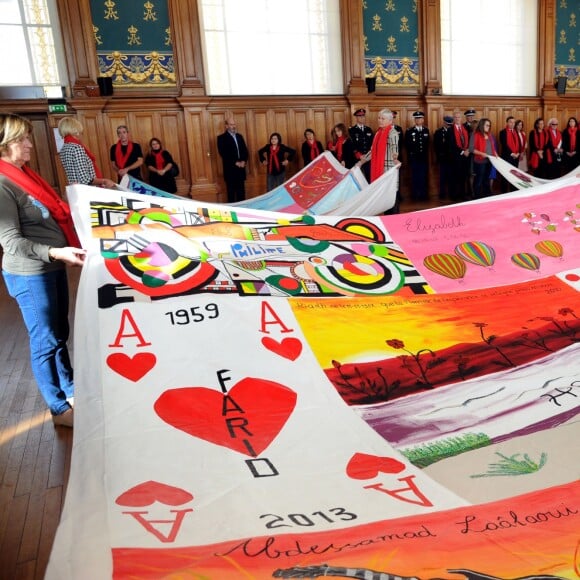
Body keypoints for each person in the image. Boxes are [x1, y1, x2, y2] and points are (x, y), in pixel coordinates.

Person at [0, 113, 86, 428]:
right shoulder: (2, 184)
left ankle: (72, 389)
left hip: (50, 268)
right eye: (22, 139)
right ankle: (58, 407)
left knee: (59, 332)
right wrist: (54, 251)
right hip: (30, 273)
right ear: (5, 144)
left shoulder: (26, 176)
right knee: (45, 340)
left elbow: (51, 214)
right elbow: (11, 242)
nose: (29, 144)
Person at [58, 117, 116, 188]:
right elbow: (85, 179)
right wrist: (104, 181)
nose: (81, 134)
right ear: (75, 131)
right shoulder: (76, 148)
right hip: (87, 190)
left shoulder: (64, 148)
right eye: (80, 132)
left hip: (75, 189)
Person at [369, 108, 401, 213]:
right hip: (380, 168)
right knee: (384, 196)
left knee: (392, 194)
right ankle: (387, 217)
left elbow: (394, 148)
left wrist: (396, 159)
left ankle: (394, 218)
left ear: (390, 121)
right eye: (379, 118)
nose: (380, 120)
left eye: (383, 118)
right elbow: (373, 151)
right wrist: (360, 162)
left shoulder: (392, 132)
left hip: (389, 168)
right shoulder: (378, 133)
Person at [217, 117, 249, 203]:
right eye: (231, 124)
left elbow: (245, 151)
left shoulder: (239, 136)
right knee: (231, 195)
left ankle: (242, 213)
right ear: (226, 126)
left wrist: (244, 161)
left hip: (241, 170)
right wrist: (236, 162)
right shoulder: (221, 138)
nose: (233, 126)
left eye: (234, 124)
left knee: (241, 194)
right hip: (230, 170)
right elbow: (223, 154)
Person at [469, 117, 497, 198]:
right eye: (487, 125)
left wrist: (495, 154)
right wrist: (482, 153)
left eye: (489, 125)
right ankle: (477, 196)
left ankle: (486, 194)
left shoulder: (489, 135)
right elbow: (471, 149)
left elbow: (492, 147)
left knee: (486, 179)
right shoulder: (475, 135)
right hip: (480, 161)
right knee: (479, 179)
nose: (489, 127)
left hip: (489, 161)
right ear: (482, 125)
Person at [405, 111, 430, 201]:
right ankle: (415, 195)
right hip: (414, 158)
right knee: (415, 177)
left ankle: (423, 195)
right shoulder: (410, 131)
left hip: (423, 158)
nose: (418, 120)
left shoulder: (426, 130)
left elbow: (427, 145)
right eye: (417, 118)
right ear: (415, 120)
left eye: (420, 118)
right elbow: (407, 145)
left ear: (423, 120)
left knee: (423, 176)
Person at [433, 115, 454, 201]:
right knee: (442, 178)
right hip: (443, 158)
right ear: (444, 123)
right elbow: (436, 146)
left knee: (451, 177)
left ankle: (451, 193)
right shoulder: (438, 132)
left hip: (452, 159)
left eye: (450, 124)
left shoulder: (453, 131)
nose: (449, 126)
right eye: (447, 124)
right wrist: (439, 157)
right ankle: (442, 194)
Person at [348, 108, 373, 180]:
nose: (362, 118)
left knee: (369, 178)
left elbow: (372, 144)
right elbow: (351, 145)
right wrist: (359, 155)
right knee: (358, 179)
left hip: (368, 158)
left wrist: (368, 155)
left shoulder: (368, 129)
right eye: (360, 116)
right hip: (357, 158)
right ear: (356, 118)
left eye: (363, 116)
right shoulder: (351, 130)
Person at [450, 110, 470, 201]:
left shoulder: (465, 128)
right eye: (456, 117)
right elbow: (451, 144)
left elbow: (469, 141)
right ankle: (455, 195)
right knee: (455, 177)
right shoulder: (450, 130)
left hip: (465, 157)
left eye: (459, 117)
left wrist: (467, 150)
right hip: (456, 157)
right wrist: (462, 152)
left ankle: (463, 194)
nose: (457, 119)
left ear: (461, 118)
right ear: (453, 119)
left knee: (464, 176)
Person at [498, 116, 519, 192]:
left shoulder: (516, 131)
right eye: (511, 122)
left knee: (514, 175)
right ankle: (504, 191)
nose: (512, 124)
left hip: (515, 157)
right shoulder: (503, 132)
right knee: (506, 175)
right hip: (507, 157)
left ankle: (513, 190)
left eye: (514, 122)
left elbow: (518, 143)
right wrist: (512, 153)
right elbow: (504, 144)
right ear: (507, 123)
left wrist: (518, 153)